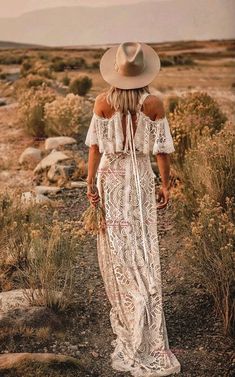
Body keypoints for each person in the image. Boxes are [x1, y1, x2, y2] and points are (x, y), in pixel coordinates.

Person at [85, 41, 181, 376]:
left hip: (110, 177)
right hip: (139, 179)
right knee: (142, 242)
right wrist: (165, 184)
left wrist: (89, 183)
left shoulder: (101, 102)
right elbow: (161, 153)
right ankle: (145, 299)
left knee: (117, 245)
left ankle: (131, 302)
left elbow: (95, 149)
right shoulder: (153, 103)